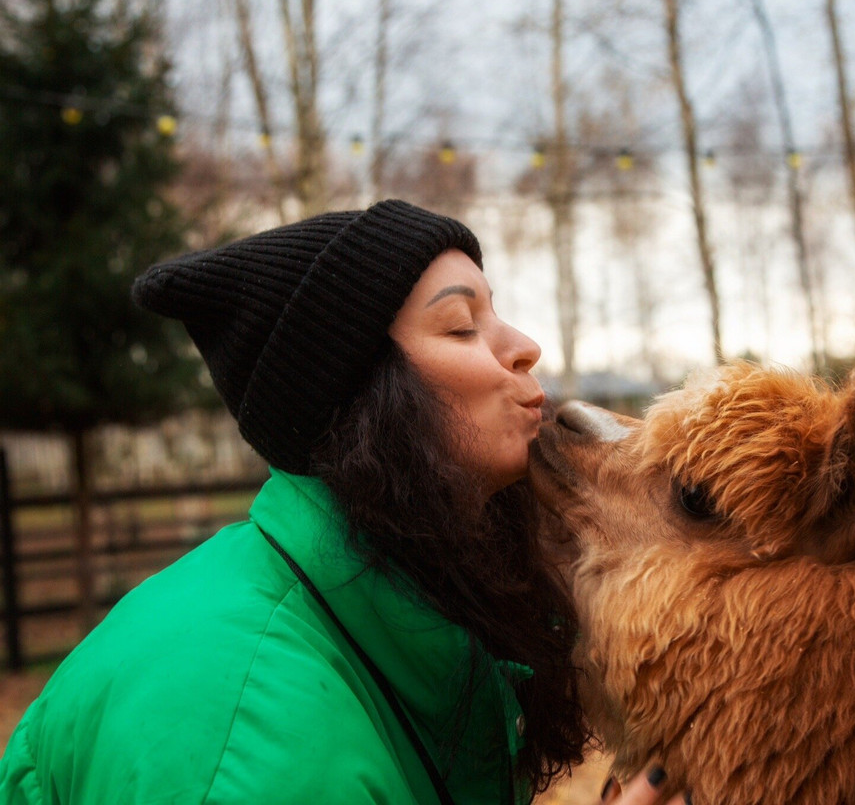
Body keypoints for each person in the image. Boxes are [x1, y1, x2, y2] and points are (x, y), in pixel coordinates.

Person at [0, 200, 684, 805]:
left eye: (495, 312)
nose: (524, 347)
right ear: (363, 400)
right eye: (459, 326)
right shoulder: (249, 741)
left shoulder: (409, 609)